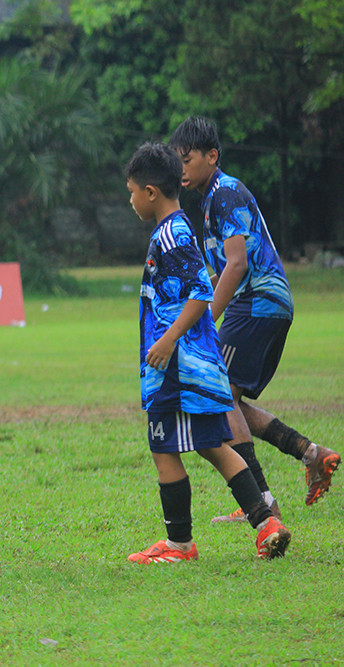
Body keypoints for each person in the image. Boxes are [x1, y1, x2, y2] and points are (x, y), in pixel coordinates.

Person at [124, 142, 290, 563]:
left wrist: (168, 340)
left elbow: (200, 290)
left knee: (164, 447)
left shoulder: (172, 234)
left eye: (131, 192)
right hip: (191, 362)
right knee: (213, 445)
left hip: (178, 364)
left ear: (150, 192)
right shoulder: (176, 229)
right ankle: (267, 522)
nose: (129, 201)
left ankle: (179, 545)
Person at [170, 116, 339, 523]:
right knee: (230, 399)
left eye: (188, 159)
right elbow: (223, 269)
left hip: (256, 303)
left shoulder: (225, 193)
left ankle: (262, 506)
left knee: (218, 396)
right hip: (266, 304)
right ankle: (311, 453)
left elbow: (238, 265)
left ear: (212, 156)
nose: (181, 170)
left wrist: (206, 318)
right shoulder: (212, 199)